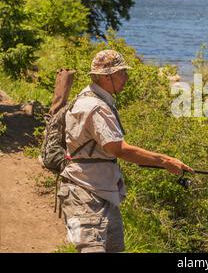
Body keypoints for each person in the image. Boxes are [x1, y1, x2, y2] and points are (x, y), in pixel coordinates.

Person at [58, 50, 194, 253]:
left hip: (102, 192)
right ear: (106, 76)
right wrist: (165, 161)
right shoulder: (95, 107)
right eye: (122, 73)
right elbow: (118, 149)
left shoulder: (90, 98)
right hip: (85, 195)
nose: (126, 78)